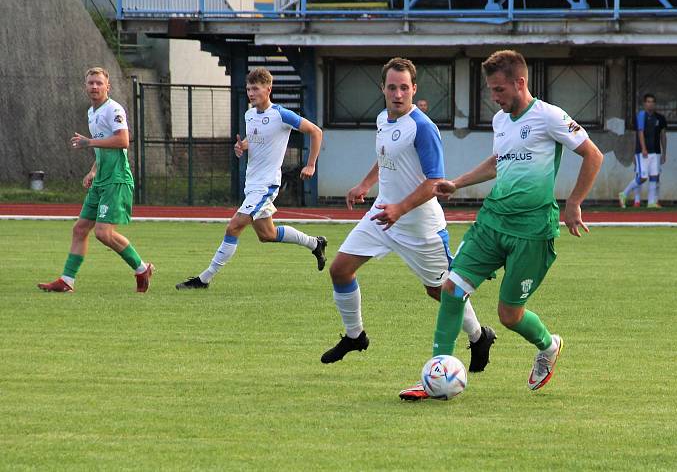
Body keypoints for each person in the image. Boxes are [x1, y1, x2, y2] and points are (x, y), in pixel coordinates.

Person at [399, 50, 603, 400]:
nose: (494, 98)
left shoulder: (549, 117)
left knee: (509, 315)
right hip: (491, 222)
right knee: (452, 289)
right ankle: (437, 375)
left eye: (499, 90)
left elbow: (592, 154)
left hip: (533, 231)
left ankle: (548, 345)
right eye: (491, 91)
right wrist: (458, 182)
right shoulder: (501, 121)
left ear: (520, 83)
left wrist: (574, 203)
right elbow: (499, 161)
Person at [321, 57, 496, 372]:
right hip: (382, 215)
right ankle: (355, 336)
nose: (398, 94)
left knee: (442, 292)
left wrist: (400, 209)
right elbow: (385, 156)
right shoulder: (382, 119)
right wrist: (364, 184)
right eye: (392, 87)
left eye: (404, 88)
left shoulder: (423, 127)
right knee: (340, 269)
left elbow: (435, 182)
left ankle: (479, 336)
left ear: (414, 89)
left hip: (419, 225)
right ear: (383, 89)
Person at [176, 68, 326, 289]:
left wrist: (311, 164)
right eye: (248, 89)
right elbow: (254, 140)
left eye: (255, 89)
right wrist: (242, 146)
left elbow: (316, 132)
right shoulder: (249, 115)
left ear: (268, 89)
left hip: (266, 185)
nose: (251, 93)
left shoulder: (281, 114)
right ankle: (315, 244)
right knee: (267, 234)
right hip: (252, 184)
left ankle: (204, 279)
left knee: (233, 227)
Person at [38, 67, 154, 293]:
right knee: (80, 229)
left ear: (107, 86)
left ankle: (142, 268)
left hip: (116, 180)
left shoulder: (114, 109)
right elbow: (103, 146)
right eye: (91, 83)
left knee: (103, 233)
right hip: (101, 179)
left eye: (99, 83)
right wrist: (93, 170)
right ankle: (66, 281)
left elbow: (123, 141)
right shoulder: (92, 112)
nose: (94, 86)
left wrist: (89, 143)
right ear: (85, 86)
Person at [618, 93, 667, 208]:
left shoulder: (659, 118)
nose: (650, 104)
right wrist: (643, 148)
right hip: (643, 152)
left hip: (656, 152)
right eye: (648, 102)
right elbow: (640, 132)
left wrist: (664, 152)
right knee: (642, 177)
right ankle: (624, 194)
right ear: (644, 104)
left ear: (654, 104)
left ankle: (651, 202)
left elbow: (663, 135)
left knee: (654, 176)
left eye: (652, 102)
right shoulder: (641, 115)